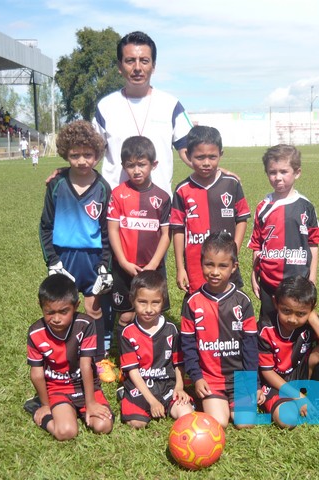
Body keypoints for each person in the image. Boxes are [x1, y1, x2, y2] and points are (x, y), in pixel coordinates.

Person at [39, 120, 116, 383]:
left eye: (88, 154)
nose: (82, 160)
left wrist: (105, 265)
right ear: (65, 154)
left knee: (94, 310)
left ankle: (100, 358)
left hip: (92, 260)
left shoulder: (103, 187)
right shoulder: (57, 184)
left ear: (97, 154)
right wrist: (53, 260)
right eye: (75, 155)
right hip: (64, 258)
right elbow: (45, 226)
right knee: (63, 309)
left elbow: (107, 231)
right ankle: (64, 356)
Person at [180, 232, 264, 428]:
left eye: (222, 266)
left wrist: (253, 383)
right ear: (201, 263)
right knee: (219, 422)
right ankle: (207, 399)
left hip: (239, 378)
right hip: (210, 378)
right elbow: (188, 345)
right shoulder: (193, 302)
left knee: (244, 422)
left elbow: (251, 347)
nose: (215, 272)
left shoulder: (243, 302)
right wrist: (197, 377)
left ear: (234, 267)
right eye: (209, 264)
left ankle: (233, 400)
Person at [92, 31, 193, 195]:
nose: (137, 68)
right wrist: (68, 173)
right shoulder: (106, 106)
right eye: (130, 61)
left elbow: (190, 150)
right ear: (119, 66)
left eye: (144, 61)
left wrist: (216, 172)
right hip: (116, 205)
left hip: (158, 204)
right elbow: (91, 154)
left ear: (153, 66)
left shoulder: (170, 104)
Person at [24, 274, 114, 440]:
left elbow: (86, 365)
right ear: (41, 306)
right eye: (49, 312)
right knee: (66, 431)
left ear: (76, 306)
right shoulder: (35, 332)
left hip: (85, 386)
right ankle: (37, 408)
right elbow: (36, 374)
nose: (56, 319)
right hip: (57, 388)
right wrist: (45, 405)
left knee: (103, 426)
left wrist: (91, 403)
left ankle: (81, 408)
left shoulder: (86, 325)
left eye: (63, 311)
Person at [170, 126, 250, 294]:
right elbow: (178, 230)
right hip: (195, 265)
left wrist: (233, 250)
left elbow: (242, 219)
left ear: (221, 154)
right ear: (188, 155)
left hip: (225, 262)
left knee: (228, 302)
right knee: (197, 304)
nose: (206, 163)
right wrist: (180, 267)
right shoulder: (182, 190)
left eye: (212, 157)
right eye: (200, 157)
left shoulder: (231, 184)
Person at [248, 144, 319, 321]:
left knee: (296, 323)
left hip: (298, 281)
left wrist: (312, 277)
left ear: (297, 172)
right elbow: (257, 245)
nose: (278, 177)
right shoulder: (263, 207)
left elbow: (313, 243)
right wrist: (254, 275)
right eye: (272, 172)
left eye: (284, 171)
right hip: (269, 281)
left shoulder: (306, 206)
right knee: (268, 323)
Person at [258, 276, 319, 428]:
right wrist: (297, 396)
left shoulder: (310, 321)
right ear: (275, 302)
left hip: (299, 374)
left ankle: (315, 401)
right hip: (274, 382)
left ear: (311, 309)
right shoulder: (265, 328)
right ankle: (292, 401)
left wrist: (313, 318)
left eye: (301, 314)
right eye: (286, 311)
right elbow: (267, 372)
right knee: (288, 420)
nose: (292, 319)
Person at [107, 136, 171, 332]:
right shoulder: (118, 194)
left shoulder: (162, 197)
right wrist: (123, 261)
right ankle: (124, 349)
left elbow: (166, 234)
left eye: (141, 164)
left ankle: (154, 349)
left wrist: (153, 264)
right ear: (123, 166)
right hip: (124, 267)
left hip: (153, 267)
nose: (136, 170)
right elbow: (113, 229)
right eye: (130, 165)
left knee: (152, 313)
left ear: (153, 165)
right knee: (126, 315)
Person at [117, 271, 194, 428]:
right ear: (132, 300)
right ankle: (125, 393)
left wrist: (179, 387)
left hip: (167, 386)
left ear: (163, 301)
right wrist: (152, 401)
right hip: (141, 387)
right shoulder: (128, 333)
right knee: (137, 423)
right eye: (142, 302)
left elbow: (178, 362)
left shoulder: (171, 330)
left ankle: (168, 403)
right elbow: (133, 371)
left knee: (186, 414)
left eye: (155, 303)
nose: (149, 309)